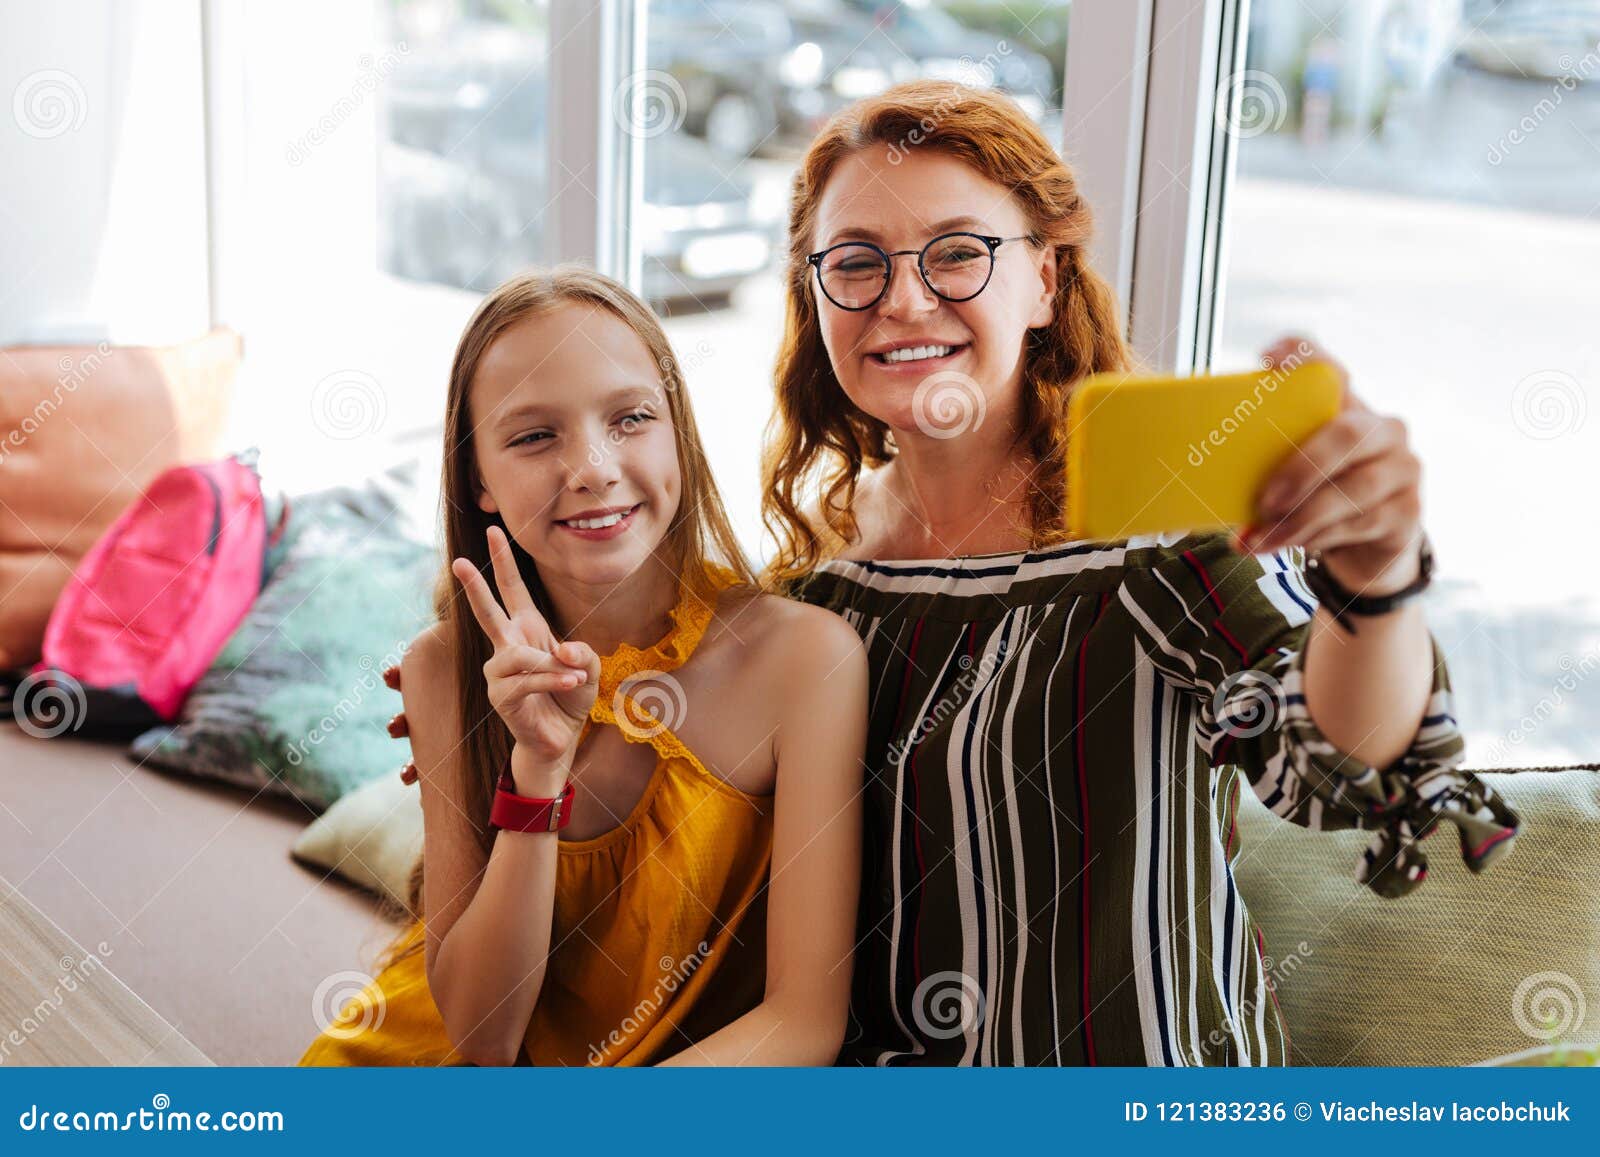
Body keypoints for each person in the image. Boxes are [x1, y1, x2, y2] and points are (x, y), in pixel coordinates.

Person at [759, 80, 1520, 1066]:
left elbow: (1346, 766)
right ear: (816, 294)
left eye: (956, 252)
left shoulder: (1153, 545)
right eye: (855, 262)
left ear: (1043, 278)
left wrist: (1374, 576)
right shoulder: (812, 588)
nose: (903, 298)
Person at [301, 267, 866, 1066]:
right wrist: (537, 768)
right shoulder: (444, 667)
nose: (593, 467)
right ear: (480, 481)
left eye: (631, 417)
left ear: (680, 432)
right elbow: (481, 1036)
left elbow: (805, 1020)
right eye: (534, 436)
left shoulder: (804, 660)